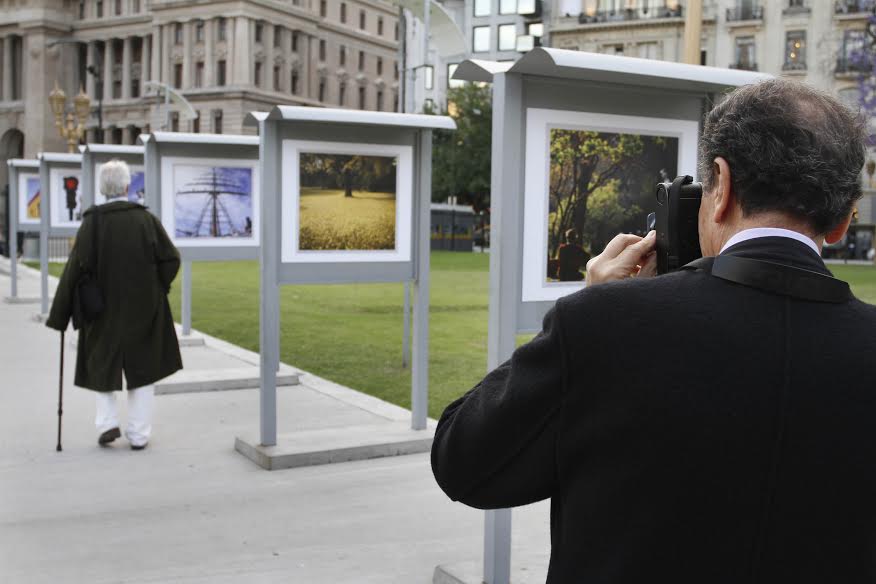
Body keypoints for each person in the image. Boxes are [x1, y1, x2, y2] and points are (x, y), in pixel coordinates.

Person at [431, 79, 876, 582]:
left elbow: (465, 463)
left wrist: (592, 302)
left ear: (721, 186)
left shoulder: (603, 324)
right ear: (840, 222)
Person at [46, 160, 182, 451]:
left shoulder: (92, 222)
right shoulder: (146, 220)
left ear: (102, 189)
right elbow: (171, 258)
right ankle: (139, 434)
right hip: (143, 307)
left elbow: (74, 269)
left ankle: (107, 423)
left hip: (101, 308)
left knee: (101, 362)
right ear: (125, 186)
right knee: (143, 368)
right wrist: (158, 287)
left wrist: (60, 315)